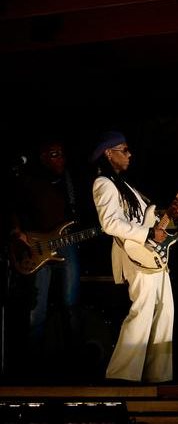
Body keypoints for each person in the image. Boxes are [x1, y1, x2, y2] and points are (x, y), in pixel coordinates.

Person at [90, 131, 178, 383]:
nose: (129, 154)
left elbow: (150, 219)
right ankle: (122, 376)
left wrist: (169, 215)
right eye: (124, 150)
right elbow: (110, 223)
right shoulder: (104, 184)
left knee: (165, 313)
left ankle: (159, 376)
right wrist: (148, 233)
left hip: (149, 255)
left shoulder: (127, 187)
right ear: (108, 153)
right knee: (142, 312)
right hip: (134, 255)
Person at [8, 139, 84, 374]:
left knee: (71, 303)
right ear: (42, 158)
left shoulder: (69, 181)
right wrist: (17, 233)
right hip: (35, 246)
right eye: (54, 154)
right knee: (36, 308)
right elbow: (12, 207)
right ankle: (32, 367)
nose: (60, 158)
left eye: (62, 154)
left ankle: (75, 364)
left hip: (64, 243)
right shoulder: (28, 181)